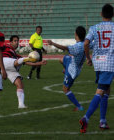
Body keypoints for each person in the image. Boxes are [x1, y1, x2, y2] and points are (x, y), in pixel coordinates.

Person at [79, 4, 114, 133]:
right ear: (113, 14)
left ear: (101, 14)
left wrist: (88, 57)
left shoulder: (95, 28)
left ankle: (103, 121)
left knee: (106, 90)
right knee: (100, 91)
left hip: (98, 62)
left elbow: (86, 43)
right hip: (109, 63)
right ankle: (86, 118)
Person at [47, 26, 86, 111]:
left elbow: (64, 48)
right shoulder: (86, 43)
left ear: (76, 34)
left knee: (65, 89)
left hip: (73, 70)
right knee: (61, 60)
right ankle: (65, 69)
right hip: (72, 61)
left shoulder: (77, 46)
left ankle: (79, 107)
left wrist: (53, 43)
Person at [2, 35, 47, 108]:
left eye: (17, 41)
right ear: (10, 42)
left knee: (19, 84)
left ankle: (21, 105)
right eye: (15, 41)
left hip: (11, 68)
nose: (17, 43)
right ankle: (28, 58)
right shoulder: (6, 46)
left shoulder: (16, 55)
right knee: (18, 61)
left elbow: (26, 63)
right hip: (4, 61)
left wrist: (40, 63)